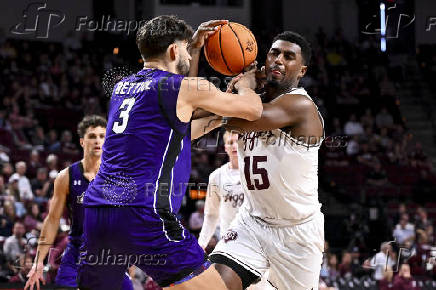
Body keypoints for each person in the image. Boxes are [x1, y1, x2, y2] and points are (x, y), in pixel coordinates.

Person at [77, 15, 262, 290]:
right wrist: (247, 84)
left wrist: (197, 50)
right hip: (143, 214)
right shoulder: (183, 88)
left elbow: (182, 125)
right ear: (174, 51)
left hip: (97, 213)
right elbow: (253, 109)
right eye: (186, 48)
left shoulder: (123, 89)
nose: (188, 54)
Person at [209, 31, 325, 290]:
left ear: (302, 70)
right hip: (252, 222)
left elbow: (233, 117)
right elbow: (228, 110)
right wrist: (241, 88)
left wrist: (245, 85)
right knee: (213, 285)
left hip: (297, 232)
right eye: (274, 52)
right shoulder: (253, 101)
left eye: (288, 56)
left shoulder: (300, 106)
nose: (279, 60)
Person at [25, 115, 133, 290]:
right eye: (92, 136)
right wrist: (38, 261)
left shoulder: (119, 176)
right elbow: (52, 221)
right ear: (82, 141)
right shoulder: (65, 176)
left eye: (102, 136)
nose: (98, 141)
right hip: (78, 253)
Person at [198, 131, 273, 290]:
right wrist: (201, 243)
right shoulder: (216, 177)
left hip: (257, 242)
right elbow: (211, 215)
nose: (234, 145)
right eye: (230, 142)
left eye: (238, 141)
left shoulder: (256, 171)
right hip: (230, 242)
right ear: (225, 147)